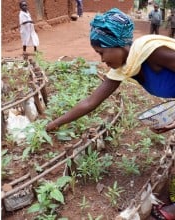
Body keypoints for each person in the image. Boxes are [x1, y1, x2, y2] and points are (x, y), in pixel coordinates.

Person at [46, 8, 175, 218]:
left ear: (117, 45)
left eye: (101, 52)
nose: (101, 60)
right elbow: (91, 102)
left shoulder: (153, 52)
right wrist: (55, 124)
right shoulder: (126, 66)